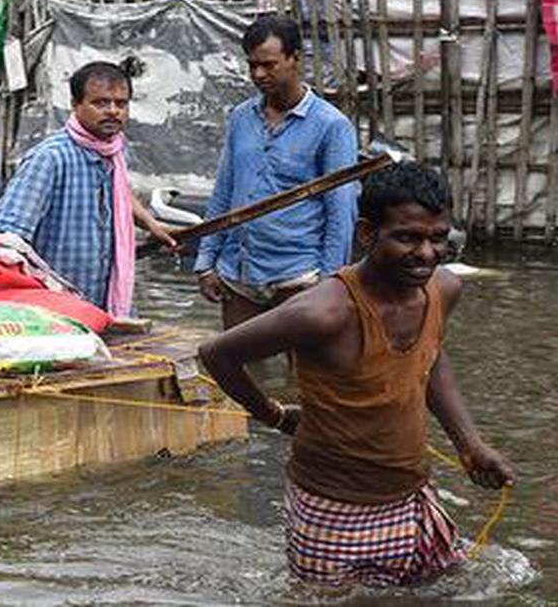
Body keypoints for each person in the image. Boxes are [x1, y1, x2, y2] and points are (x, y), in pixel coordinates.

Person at [198, 162, 514, 586]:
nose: (426, 253)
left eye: (438, 238)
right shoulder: (324, 311)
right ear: (367, 234)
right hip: (332, 509)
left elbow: (431, 357)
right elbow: (217, 354)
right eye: (407, 237)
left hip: (409, 497)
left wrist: (469, 443)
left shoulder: (443, 289)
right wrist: (272, 414)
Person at [195, 15, 359, 329]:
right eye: (252, 65)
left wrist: (330, 282)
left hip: (298, 276)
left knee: (306, 373)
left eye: (269, 65)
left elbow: (341, 211)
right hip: (238, 271)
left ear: (295, 59)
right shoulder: (242, 117)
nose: (258, 74)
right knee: (237, 366)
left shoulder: (331, 126)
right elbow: (224, 192)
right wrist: (206, 262)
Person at [0, 60, 176, 316]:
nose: (113, 111)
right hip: (53, 310)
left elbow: (117, 194)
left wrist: (151, 225)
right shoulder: (50, 158)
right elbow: (4, 239)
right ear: (76, 105)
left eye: (121, 104)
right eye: (100, 103)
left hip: (101, 304)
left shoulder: (113, 149)